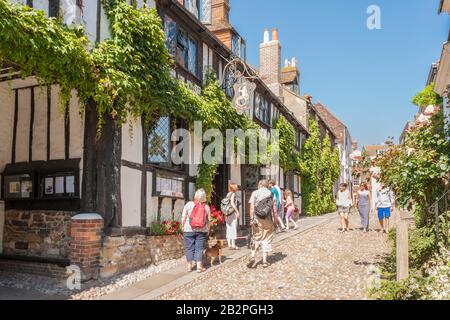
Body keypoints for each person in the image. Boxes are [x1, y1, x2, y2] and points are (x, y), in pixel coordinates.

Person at [247, 180, 278, 269]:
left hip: (257, 219)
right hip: (268, 220)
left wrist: (251, 219)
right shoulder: (271, 194)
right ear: (267, 185)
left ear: (260, 185)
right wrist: (275, 222)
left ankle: (252, 256)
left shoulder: (255, 193)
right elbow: (274, 211)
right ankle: (264, 261)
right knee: (267, 238)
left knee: (256, 237)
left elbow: (252, 208)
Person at [181, 189, 211, 273]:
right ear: (204, 197)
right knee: (199, 248)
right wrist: (208, 229)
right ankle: (199, 267)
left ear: (195, 196)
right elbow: (209, 220)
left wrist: (182, 226)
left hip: (188, 229)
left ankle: (189, 266)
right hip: (201, 230)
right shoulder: (206, 207)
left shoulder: (188, 204)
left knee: (189, 247)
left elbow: (183, 217)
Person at [225, 183, 240, 250]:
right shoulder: (233, 194)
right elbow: (232, 203)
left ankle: (229, 244)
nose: (237, 188)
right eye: (236, 187)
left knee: (229, 228)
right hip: (232, 213)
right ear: (234, 187)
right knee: (233, 227)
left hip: (227, 213)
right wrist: (237, 211)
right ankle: (233, 244)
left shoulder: (228, 194)